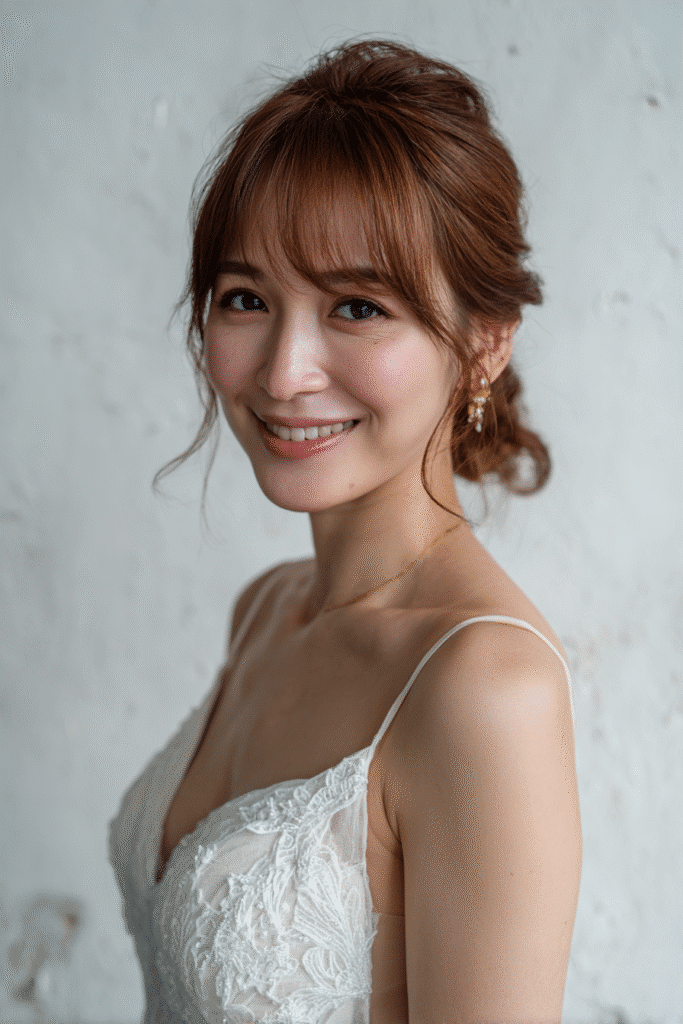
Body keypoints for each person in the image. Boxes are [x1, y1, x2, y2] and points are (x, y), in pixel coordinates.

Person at [109, 37, 582, 1024]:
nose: (283, 372)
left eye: (356, 306)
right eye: (246, 298)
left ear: (483, 342)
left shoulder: (482, 687)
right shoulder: (267, 609)